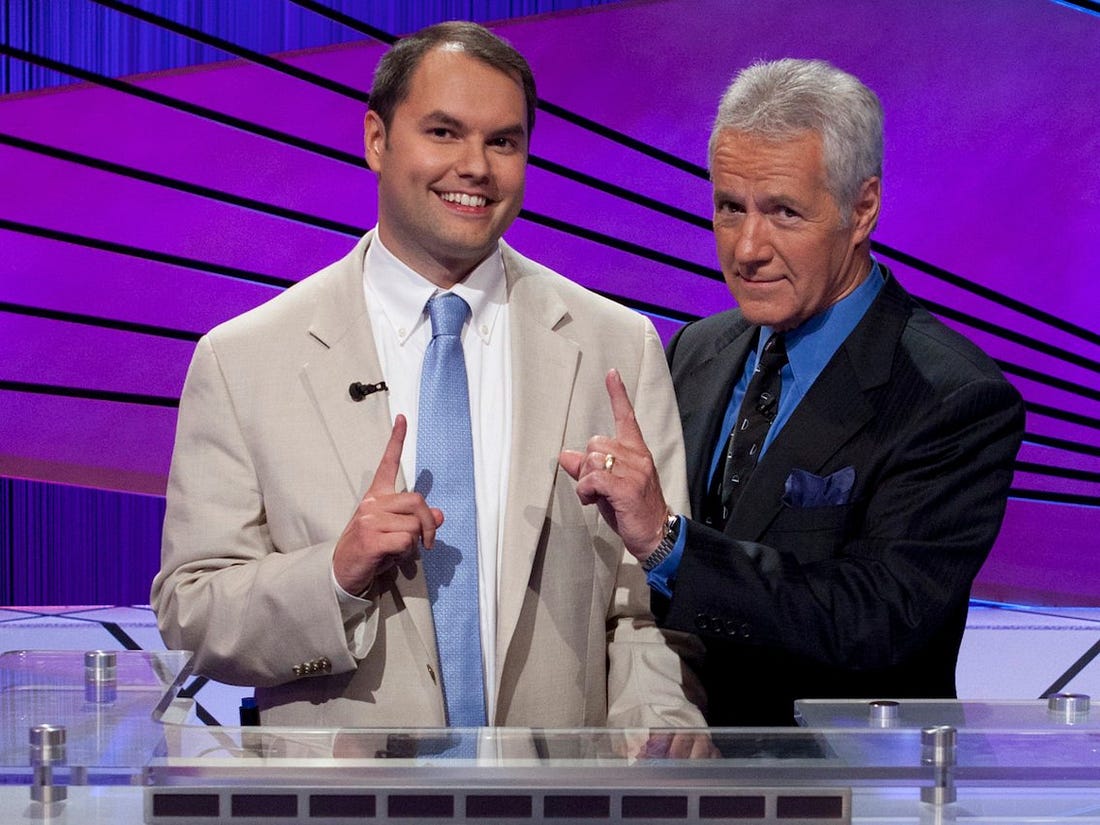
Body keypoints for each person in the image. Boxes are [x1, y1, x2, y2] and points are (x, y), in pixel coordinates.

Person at [151, 21, 708, 736]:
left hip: (562, 789)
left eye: (503, 141)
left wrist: (654, 732)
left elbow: (650, 608)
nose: (475, 166)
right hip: (345, 791)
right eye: (444, 133)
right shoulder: (244, 360)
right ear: (376, 140)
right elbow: (192, 608)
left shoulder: (617, 345)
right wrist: (334, 576)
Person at [560, 58, 1025, 727]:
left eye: (783, 211)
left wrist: (670, 544)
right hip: (678, 762)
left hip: (844, 774)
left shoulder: (952, 397)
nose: (747, 248)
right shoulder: (695, 350)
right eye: (730, 207)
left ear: (862, 208)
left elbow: (879, 618)